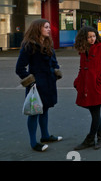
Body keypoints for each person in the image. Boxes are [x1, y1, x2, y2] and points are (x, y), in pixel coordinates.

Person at [15, 19, 63, 152]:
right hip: (36, 85)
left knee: (45, 109)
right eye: (46, 27)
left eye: (49, 27)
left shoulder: (48, 44)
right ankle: (33, 143)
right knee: (34, 113)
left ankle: (45, 136)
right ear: (38, 29)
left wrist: (56, 71)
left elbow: (54, 62)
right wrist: (31, 81)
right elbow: (19, 68)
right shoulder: (28, 46)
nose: (49, 29)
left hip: (49, 83)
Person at [73, 26, 101, 150]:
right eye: (89, 37)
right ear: (84, 38)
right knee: (94, 113)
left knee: (95, 114)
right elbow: (82, 68)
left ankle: (90, 139)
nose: (92, 39)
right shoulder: (83, 50)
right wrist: (78, 82)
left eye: (94, 36)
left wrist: (100, 82)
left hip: (97, 87)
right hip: (85, 87)